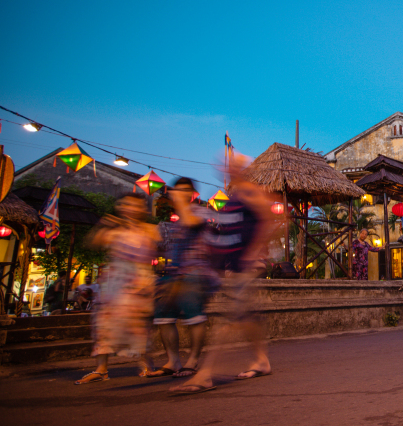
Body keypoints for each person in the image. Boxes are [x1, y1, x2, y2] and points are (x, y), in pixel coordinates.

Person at [171, 156, 274, 395]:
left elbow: (270, 219)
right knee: (246, 316)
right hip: (235, 265)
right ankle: (261, 360)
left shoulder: (250, 192)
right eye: (225, 165)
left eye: (233, 165)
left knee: (228, 319)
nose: (227, 168)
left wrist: (253, 252)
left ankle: (205, 374)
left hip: (247, 265)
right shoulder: (234, 196)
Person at [75, 193, 160, 384]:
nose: (131, 208)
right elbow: (92, 243)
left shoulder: (150, 230)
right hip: (114, 283)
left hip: (139, 282)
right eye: (126, 204)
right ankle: (101, 369)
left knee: (139, 326)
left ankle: (146, 363)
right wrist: (103, 225)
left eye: (136, 205)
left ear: (144, 209)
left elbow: (158, 249)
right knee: (104, 325)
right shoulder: (113, 229)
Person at [151, 177, 213, 379]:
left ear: (192, 194)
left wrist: (181, 204)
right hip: (172, 274)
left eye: (185, 190)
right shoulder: (174, 221)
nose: (180, 194)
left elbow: (192, 223)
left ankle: (193, 360)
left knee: (194, 317)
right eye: (177, 190)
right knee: (163, 317)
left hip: (195, 273)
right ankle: (173, 360)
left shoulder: (199, 212)